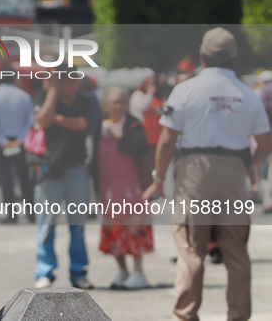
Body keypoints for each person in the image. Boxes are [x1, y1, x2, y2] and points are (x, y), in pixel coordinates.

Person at [144, 27, 272, 321]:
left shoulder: (186, 89)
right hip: (233, 171)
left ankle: (186, 314)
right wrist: (248, 165)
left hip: (195, 171)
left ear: (202, 56)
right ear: (235, 58)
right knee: (236, 251)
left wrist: (158, 179)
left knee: (191, 248)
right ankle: (238, 315)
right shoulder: (247, 95)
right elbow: (265, 145)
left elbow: (167, 140)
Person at [32, 71, 93, 290]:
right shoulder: (44, 96)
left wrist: (56, 119)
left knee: (77, 224)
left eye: (75, 78)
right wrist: (53, 92)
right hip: (50, 168)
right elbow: (42, 120)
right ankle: (44, 271)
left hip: (76, 166)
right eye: (66, 79)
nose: (72, 83)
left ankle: (79, 271)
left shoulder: (85, 99)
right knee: (46, 223)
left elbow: (82, 124)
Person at [95, 87, 153, 289]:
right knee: (113, 230)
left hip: (132, 187)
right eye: (114, 102)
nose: (118, 106)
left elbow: (140, 149)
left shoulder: (133, 125)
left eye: (121, 102)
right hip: (109, 188)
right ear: (105, 106)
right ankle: (122, 270)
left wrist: (119, 135)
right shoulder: (99, 128)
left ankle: (138, 271)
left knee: (135, 228)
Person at [0, 69, 34, 222]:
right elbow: (30, 120)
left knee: (5, 179)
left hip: (1, 143)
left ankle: (11, 215)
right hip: (20, 141)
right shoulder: (24, 96)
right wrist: (19, 139)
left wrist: (3, 141)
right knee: (24, 177)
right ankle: (30, 213)